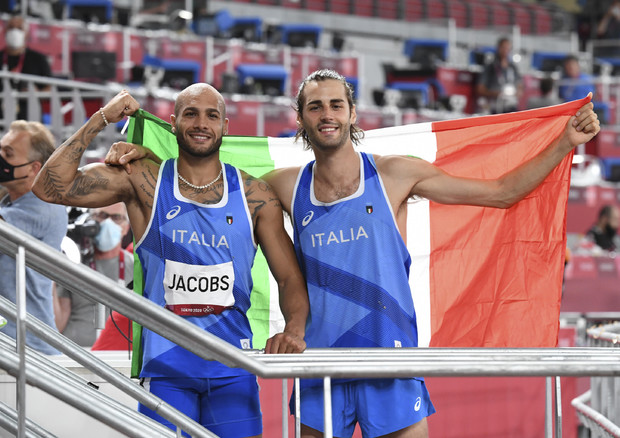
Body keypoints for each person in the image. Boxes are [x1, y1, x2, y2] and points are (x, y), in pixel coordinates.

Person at [107, 70, 600, 438]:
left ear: (352, 114)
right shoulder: (284, 186)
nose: (327, 114)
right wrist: (147, 157)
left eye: (336, 105)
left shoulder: (396, 174)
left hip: (389, 360)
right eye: (315, 106)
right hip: (320, 365)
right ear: (301, 118)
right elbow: (206, 180)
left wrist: (565, 143)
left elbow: (501, 193)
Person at [32, 84, 308, 437]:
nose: (201, 123)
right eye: (191, 114)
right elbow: (49, 187)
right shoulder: (142, 180)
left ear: (224, 126)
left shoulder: (255, 195)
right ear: (174, 123)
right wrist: (101, 118)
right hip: (166, 371)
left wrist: (294, 330)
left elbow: (288, 277)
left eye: (211, 115)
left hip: (232, 369)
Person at [0, 120, 68, 355]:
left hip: (29, 349)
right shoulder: (11, 203)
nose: (1, 158)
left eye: (8, 153)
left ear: (33, 168)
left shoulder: (43, 206)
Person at [55, 202, 134, 348]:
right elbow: (58, 324)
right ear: (89, 221)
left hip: (119, 355)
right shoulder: (74, 263)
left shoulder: (136, 267)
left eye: (116, 217)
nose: (108, 222)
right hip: (73, 352)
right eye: (102, 215)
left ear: (126, 228)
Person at [0, 15, 52, 120]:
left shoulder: (39, 59)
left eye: (19, 28)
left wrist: (37, 94)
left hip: (30, 120)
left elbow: (50, 89)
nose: (15, 32)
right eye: (11, 27)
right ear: (5, 31)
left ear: (27, 33)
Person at [476, 36, 523, 114]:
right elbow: (480, 89)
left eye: (508, 48)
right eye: (503, 48)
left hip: (511, 106)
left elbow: (520, 86)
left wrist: (516, 94)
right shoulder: (490, 67)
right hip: (494, 107)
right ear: (498, 48)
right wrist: (497, 94)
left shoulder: (513, 67)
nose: (505, 50)